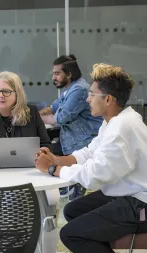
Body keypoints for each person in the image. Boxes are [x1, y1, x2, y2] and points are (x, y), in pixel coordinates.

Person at [35, 63, 147, 253]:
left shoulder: (120, 129)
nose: (87, 99)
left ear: (108, 99)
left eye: (91, 94)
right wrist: (57, 159)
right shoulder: (116, 120)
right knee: (73, 210)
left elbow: (94, 176)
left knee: (71, 235)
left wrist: (53, 170)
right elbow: (89, 152)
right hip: (136, 193)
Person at [40, 54, 103, 200]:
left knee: (79, 195)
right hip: (73, 145)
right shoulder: (68, 89)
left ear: (68, 74)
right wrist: (34, 115)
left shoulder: (79, 90)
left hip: (84, 145)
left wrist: (36, 119)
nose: (53, 77)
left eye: (57, 73)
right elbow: (53, 108)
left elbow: (60, 118)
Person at [0, 71, 51, 160]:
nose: (0, 95)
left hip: (28, 167)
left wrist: (40, 154)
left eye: (6, 91)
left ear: (17, 94)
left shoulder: (31, 112)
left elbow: (46, 144)